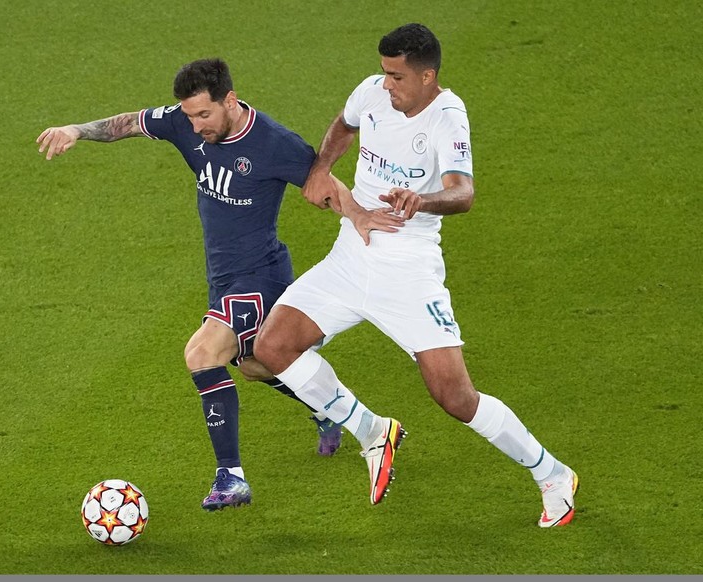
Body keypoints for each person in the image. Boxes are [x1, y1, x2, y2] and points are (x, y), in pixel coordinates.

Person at [254, 24, 578, 527]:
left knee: (455, 397)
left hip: (408, 271)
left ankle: (553, 473)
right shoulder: (374, 91)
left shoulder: (449, 117)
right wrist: (321, 168)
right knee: (272, 347)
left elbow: (463, 193)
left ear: (428, 76)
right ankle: (371, 431)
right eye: (384, 74)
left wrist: (419, 199)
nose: (387, 86)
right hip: (350, 256)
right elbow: (345, 123)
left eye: (397, 77)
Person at [36, 59, 352, 511]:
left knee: (202, 353)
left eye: (204, 115)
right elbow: (128, 124)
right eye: (188, 116)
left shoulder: (274, 143)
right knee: (255, 365)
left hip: (262, 277)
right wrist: (76, 130)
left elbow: (328, 187)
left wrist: (367, 225)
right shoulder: (185, 125)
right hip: (224, 279)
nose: (195, 125)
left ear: (229, 100)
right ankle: (327, 407)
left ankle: (232, 479)